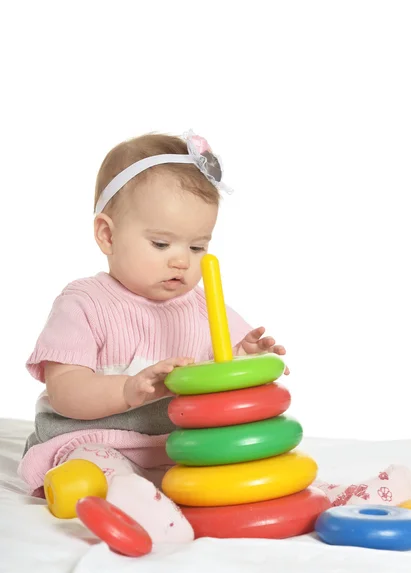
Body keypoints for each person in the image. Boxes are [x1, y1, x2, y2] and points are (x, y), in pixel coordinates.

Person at [18, 130, 289, 542]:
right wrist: (129, 390)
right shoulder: (85, 303)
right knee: (96, 468)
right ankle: (137, 509)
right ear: (107, 235)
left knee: (235, 472)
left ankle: (164, 500)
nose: (182, 261)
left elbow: (224, 380)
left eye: (198, 247)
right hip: (94, 440)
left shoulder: (203, 305)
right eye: (161, 243)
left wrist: (245, 356)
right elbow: (65, 393)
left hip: (176, 449)